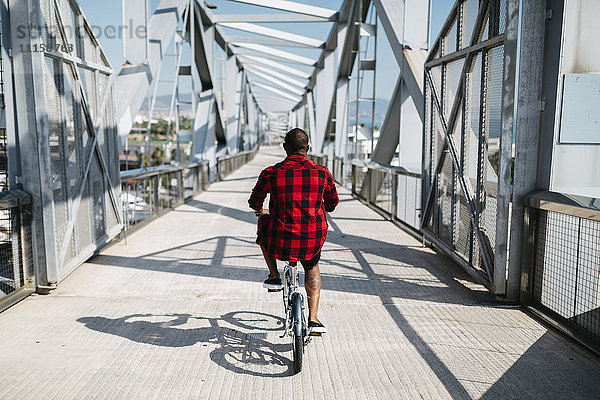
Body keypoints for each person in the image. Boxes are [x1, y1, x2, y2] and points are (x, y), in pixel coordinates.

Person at [248, 128, 339, 334]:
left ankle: (274, 276)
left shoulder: (271, 173)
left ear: (284, 148)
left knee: (263, 222)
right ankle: (313, 319)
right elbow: (332, 204)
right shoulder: (322, 173)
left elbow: (254, 202)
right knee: (312, 266)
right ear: (307, 148)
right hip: (311, 238)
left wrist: (262, 211)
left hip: (280, 237)